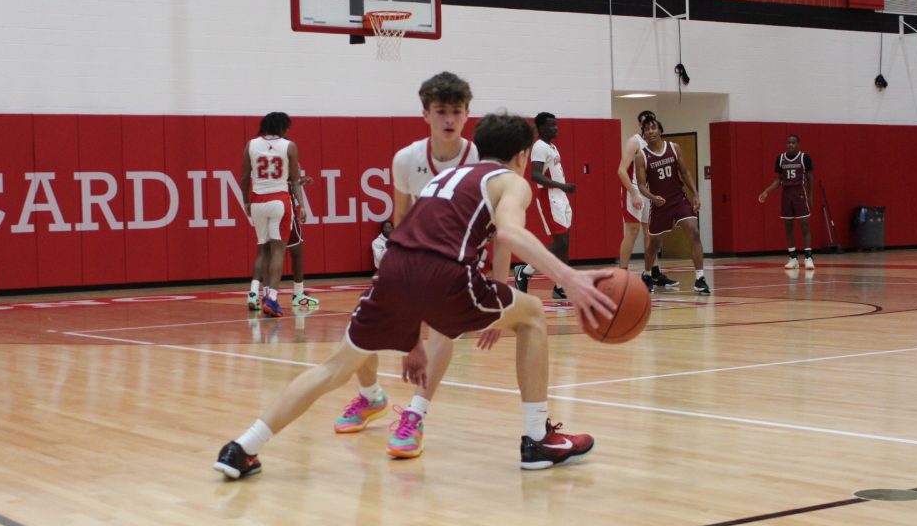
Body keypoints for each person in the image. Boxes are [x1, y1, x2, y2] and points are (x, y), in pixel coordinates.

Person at [214, 111, 616, 480]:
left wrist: (411, 335)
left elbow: (409, 244)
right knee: (532, 315)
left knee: (333, 368)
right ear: (525, 154)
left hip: (392, 274)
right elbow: (509, 234)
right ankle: (536, 438)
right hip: (444, 277)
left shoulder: (445, 178)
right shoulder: (511, 182)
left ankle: (241, 447)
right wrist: (569, 277)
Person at [333, 70, 479, 459]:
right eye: (441, 111)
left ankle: (415, 415)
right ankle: (370, 397)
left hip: (459, 262)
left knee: (445, 330)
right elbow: (401, 221)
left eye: (457, 111)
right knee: (362, 326)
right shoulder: (406, 159)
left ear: (467, 115)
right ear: (425, 114)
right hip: (413, 258)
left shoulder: (478, 158)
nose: (449, 119)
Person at [634, 114, 710, 295]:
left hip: (679, 198)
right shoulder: (641, 156)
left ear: (660, 130)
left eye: (654, 128)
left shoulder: (674, 148)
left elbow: (685, 172)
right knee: (654, 244)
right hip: (660, 204)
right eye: (647, 129)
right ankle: (646, 275)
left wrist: (696, 194)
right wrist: (652, 197)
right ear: (643, 134)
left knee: (694, 232)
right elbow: (642, 186)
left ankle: (700, 278)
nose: (651, 131)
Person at [241, 112, 305, 318]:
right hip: (280, 200)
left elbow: (243, 178)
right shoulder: (289, 146)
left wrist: (246, 202)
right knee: (278, 250)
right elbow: (294, 181)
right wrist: (302, 205)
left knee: (262, 249)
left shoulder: (250, 144)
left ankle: (255, 293)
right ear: (282, 127)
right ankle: (272, 299)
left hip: (258, 200)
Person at [513, 112, 575, 300]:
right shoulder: (539, 147)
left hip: (560, 196)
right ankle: (524, 271)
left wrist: (563, 189)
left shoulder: (552, 147)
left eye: (556, 125)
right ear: (540, 128)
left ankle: (560, 286)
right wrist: (562, 186)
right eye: (551, 125)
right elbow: (535, 175)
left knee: (565, 245)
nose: (555, 128)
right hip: (549, 196)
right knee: (560, 243)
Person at [617, 111, 676, 292]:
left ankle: (652, 273)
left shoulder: (657, 144)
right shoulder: (634, 142)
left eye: (652, 124)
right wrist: (634, 193)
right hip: (634, 191)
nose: (649, 128)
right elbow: (620, 170)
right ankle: (622, 274)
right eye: (645, 124)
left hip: (650, 193)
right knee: (632, 232)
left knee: (652, 233)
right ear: (640, 125)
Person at [758, 134, 815, 269]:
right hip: (786, 194)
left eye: (793, 143)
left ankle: (808, 257)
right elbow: (779, 179)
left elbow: (810, 177)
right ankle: (792, 257)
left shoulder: (804, 158)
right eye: (788, 142)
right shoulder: (780, 158)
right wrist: (767, 191)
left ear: (798, 144)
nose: (790, 145)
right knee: (788, 227)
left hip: (800, 193)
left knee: (805, 226)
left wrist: (811, 195)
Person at [284, 173, 321, 308]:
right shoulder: (288, 153)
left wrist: (299, 182)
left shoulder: (256, 152)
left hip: (262, 203)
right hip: (283, 205)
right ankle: (298, 294)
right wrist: (302, 206)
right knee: (297, 250)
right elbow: (292, 183)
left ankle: (264, 294)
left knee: (266, 252)